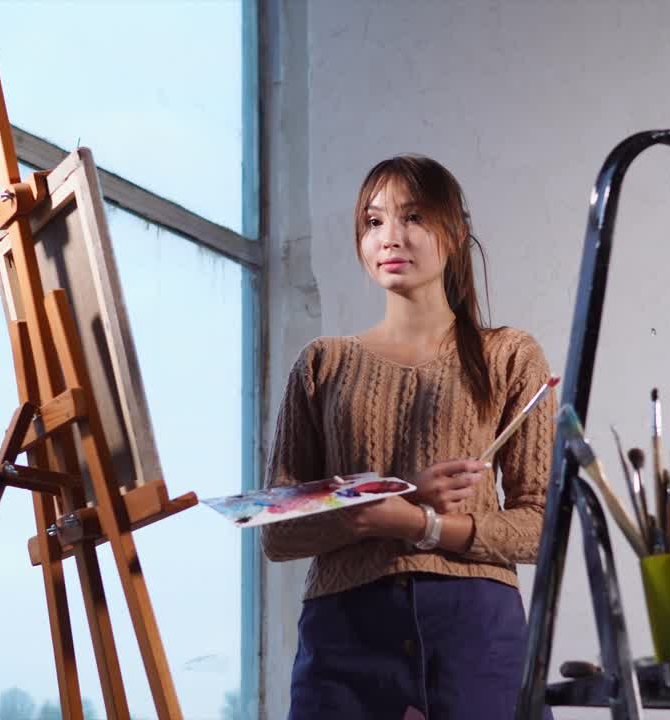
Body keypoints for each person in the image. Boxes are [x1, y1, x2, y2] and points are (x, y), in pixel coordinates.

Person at [261, 154, 557, 719]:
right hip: (346, 633)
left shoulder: (510, 355)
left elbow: (542, 526)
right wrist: (394, 496)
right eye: (373, 222)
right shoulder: (321, 363)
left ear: (455, 233)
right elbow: (278, 534)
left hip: (475, 631)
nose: (390, 237)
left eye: (413, 217)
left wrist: (424, 524)